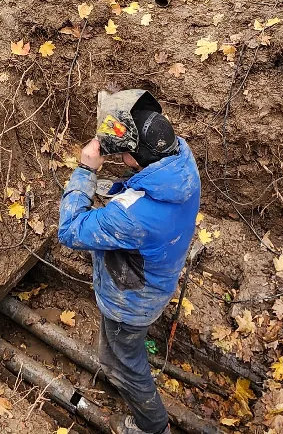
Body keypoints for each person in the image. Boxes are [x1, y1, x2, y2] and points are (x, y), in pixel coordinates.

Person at [57, 92, 201, 434]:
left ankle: (153, 426)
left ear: (136, 155)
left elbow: (70, 231)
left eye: (123, 152)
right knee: (122, 353)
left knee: (122, 365)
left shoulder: (129, 219)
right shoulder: (181, 158)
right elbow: (139, 189)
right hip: (159, 275)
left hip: (131, 304)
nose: (119, 156)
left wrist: (85, 172)